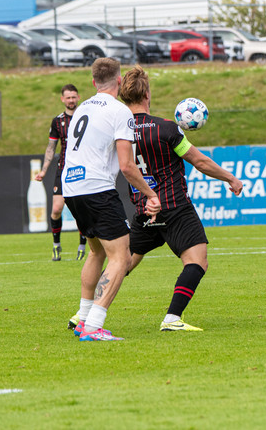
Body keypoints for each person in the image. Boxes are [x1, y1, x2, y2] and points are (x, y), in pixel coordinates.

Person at [118, 65, 244, 331]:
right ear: (147, 94)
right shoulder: (166, 129)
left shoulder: (118, 132)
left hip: (143, 208)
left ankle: (85, 312)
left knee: (121, 265)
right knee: (197, 261)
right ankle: (172, 318)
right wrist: (230, 178)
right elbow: (199, 161)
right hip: (174, 206)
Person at [63, 58, 161, 342]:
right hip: (97, 189)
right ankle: (94, 326)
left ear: (93, 82)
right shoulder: (120, 112)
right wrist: (151, 194)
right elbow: (127, 166)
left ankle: (83, 318)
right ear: (119, 81)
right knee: (121, 256)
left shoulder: (82, 108)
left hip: (72, 188)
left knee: (97, 252)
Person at [34, 84, 88, 261]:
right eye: (68, 97)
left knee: (81, 211)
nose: (71, 100)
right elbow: (51, 147)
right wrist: (43, 170)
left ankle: (82, 247)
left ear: (78, 97)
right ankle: (56, 245)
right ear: (62, 99)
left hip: (82, 170)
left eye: (73, 97)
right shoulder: (57, 121)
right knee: (56, 209)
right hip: (63, 169)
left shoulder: (86, 117)